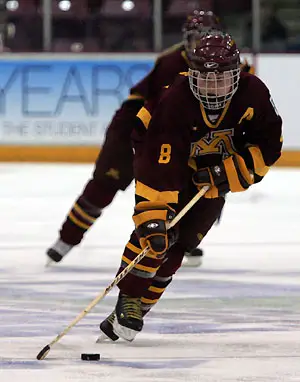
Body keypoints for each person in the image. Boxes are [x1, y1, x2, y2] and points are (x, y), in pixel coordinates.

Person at [99, 31, 282, 342]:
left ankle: (138, 309)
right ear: (190, 74)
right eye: (205, 79)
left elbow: (269, 144)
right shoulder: (175, 101)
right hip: (159, 158)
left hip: (211, 176)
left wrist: (227, 172)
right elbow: (159, 163)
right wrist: (155, 213)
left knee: (183, 243)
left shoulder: (254, 93)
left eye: (221, 79)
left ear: (238, 74)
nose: (212, 88)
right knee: (158, 235)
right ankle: (128, 297)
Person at [46, 10, 224, 268]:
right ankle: (66, 240)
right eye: (196, 38)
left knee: (181, 189)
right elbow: (163, 112)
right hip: (132, 128)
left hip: (171, 135)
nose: (200, 44)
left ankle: (179, 241)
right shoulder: (172, 64)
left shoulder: (222, 68)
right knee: (104, 185)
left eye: (206, 38)